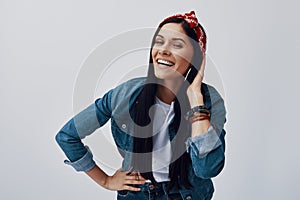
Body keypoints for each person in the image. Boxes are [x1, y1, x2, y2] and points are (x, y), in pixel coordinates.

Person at [55, 11, 226, 200]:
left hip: (188, 195)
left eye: (177, 44)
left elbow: (207, 169)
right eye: (159, 41)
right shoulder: (124, 95)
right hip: (138, 195)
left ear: (196, 57)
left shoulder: (209, 99)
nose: (163, 50)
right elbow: (67, 136)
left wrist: (196, 101)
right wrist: (105, 181)